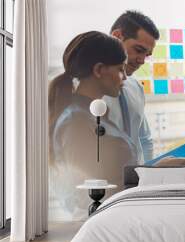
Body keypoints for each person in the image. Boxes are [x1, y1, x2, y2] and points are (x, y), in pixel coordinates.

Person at [49, 31, 138, 220]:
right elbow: (87, 190)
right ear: (99, 70)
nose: (125, 78)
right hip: (100, 219)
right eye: (120, 69)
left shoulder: (93, 115)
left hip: (113, 214)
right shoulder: (77, 123)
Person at [103, 10, 159, 163]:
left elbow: (145, 140)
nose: (142, 61)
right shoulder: (86, 86)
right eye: (139, 50)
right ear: (116, 36)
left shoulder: (136, 87)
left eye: (147, 55)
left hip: (134, 184)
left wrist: (147, 179)